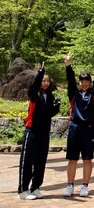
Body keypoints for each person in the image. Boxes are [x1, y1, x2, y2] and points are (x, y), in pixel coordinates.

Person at [18, 63, 60, 199]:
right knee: (27, 161)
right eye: (43, 80)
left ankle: (35, 187)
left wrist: (56, 107)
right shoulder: (34, 95)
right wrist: (40, 73)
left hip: (44, 133)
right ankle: (23, 190)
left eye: (47, 81)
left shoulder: (50, 96)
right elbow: (34, 87)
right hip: (32, 131)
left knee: (40, 161)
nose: (46, 83)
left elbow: (49, 114)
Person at [63, 53, 94, 198]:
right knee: (72, 158)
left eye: (87, 81)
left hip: (89, 129)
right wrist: (68, 65)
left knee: (87, 158)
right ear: (79, 82)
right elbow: (70, 80)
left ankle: (85, 185)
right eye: (82, 81)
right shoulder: (74, 93)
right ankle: (70, 185)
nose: (84, 83)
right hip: (74, 127)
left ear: (90, 83)